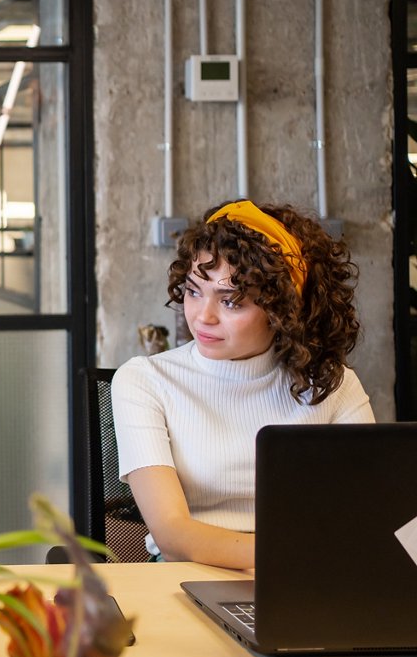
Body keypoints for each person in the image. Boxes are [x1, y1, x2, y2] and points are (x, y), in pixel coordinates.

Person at [111, 200, 374, 570]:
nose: (203, 316)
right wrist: (291, 559)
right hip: (190, 579)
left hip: (307, 581)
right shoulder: (144, 381)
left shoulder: (333, 384)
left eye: (231, 301)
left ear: (282, 309)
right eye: (193, 290)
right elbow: (171, 535)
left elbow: (372, 511)